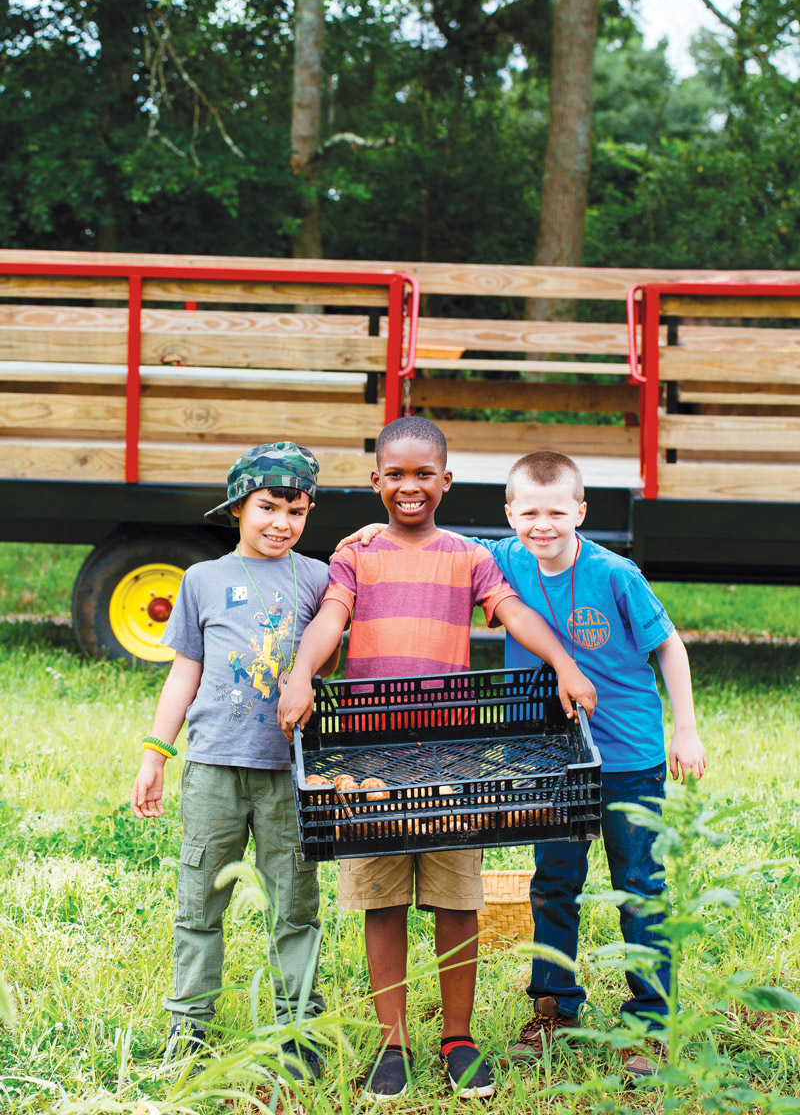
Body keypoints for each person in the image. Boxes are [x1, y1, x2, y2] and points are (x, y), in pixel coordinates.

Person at [338, 447, 707, 1081]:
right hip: (551, 757)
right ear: (510, 515)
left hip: (627, 755)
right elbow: (433, 538)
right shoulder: (503, 557)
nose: (543, 525)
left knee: (639, 886)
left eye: (557, 512)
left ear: (580, 513)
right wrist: (378, 531)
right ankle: (556, 1008)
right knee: (554, 883)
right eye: (529, 512)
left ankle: (649, 1022)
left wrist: (687, 732)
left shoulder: (616, 573)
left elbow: (669, 648)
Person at [277, 417, 597, 1102]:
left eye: (424, 474)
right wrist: (303, 671)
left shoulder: (468, 557)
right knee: (382, 903)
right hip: (369, 759)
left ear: (445, 481)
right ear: (375, 482)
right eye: (395, 474)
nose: (409, 486)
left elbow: (513, 611)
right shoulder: (355, 557)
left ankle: (458, 1037)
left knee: (456, 903)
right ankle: (391, 1042)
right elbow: (332, 618)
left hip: (452, 758)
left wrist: (565, 663)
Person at [130, 442, 339, 1079]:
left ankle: (296, 1027)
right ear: (238, 509)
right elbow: (183, 674)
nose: (281, 522)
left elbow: (328, 660)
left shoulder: (318, 579)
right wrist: (156, 753)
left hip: (287, 772)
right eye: (268, 507)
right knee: (199, 900)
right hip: (215, 768)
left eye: (296, 511)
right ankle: (187, 1028)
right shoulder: (202, 581)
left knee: (295, 904)